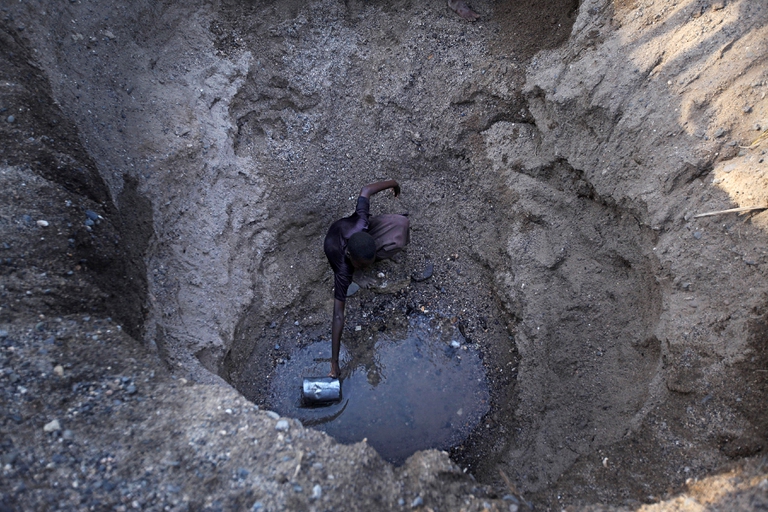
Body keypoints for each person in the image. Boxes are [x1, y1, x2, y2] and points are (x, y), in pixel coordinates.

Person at [323, 180, 410, 378]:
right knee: (361, 264)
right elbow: (338, 316)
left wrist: (394, 183)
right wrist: (334, 363)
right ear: (350, 259)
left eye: (367, 264)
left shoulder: (362, 223)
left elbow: (366, 190)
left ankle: (370, 257)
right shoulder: (342, 269)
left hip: (355, 235)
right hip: (337, 244)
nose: (368, 267)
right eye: (363, 265)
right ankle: (359, 273)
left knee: (401, 225)